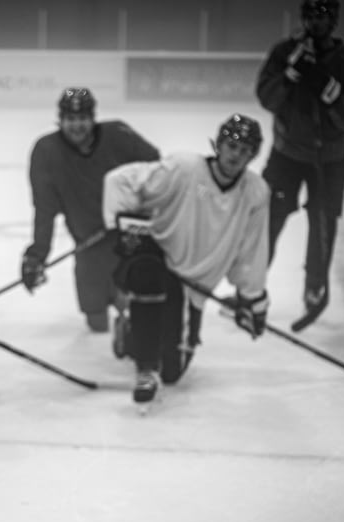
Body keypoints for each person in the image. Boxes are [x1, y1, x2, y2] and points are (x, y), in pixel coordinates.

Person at [101, 114, 271, 407]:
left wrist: (253, 299)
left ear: (253, 155)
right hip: (156, 259)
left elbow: (251, 249)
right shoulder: (185, 168)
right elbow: (120, 181)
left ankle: (129, 331)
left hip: (194, 283)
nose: (236, 155)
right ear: (219, 144)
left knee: (172, 371)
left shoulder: (255, 192)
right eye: (232, 145)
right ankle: (145, 368)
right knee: (148, 274)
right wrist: (125, 226)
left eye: (245, 150)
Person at [256, 0, 344, 331]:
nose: (315, 22)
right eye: (310, 15)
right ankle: (252, 285)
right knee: (267, 219)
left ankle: (315, 287)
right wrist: (290, 74)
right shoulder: (283, 52)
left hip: (329, 160)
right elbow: (266, 97)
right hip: (286, 156)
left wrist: (324, 84)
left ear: (333, 20)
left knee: (323, 225)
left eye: (322, 16)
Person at [21, 86, 160, 333]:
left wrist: (140, 214)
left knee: (134, 306)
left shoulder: (118, 134)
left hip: (129, 238)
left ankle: (130, 327)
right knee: (96, 323)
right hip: (88, 244)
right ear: (61, 120)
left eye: (83, 118)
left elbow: (155, 168)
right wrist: (37, 255)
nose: (77, 125)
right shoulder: (46, 151)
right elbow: (44, 210)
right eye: (71, 119)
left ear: (93, 118)